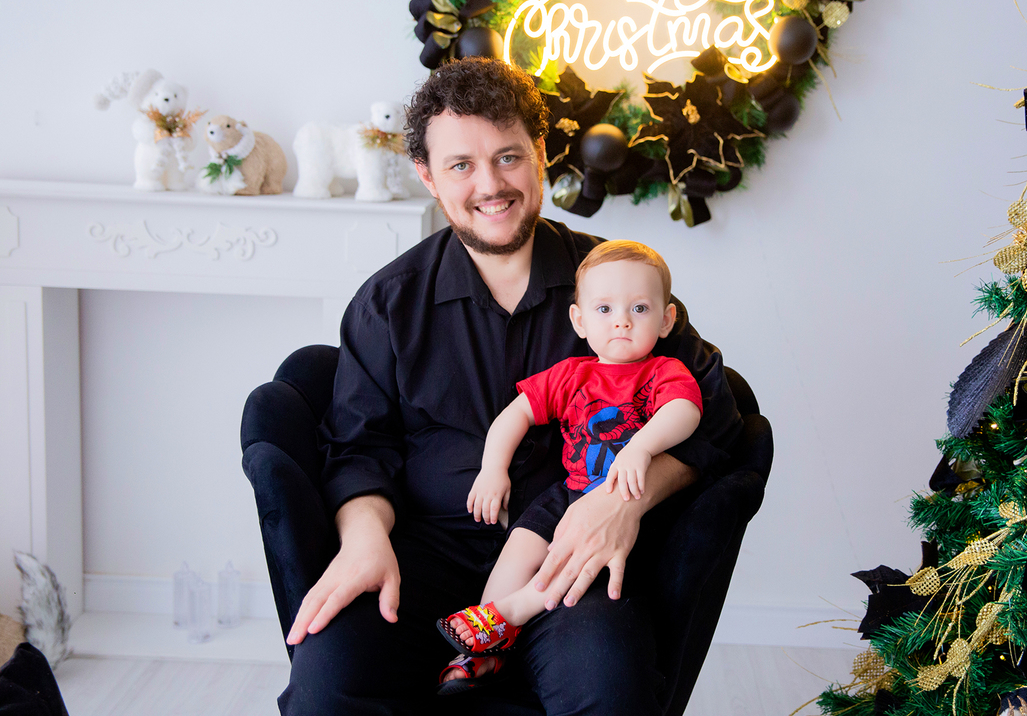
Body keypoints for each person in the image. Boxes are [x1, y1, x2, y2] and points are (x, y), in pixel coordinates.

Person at [278, 57, 742, 716]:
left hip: (570, 562)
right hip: (418, 556)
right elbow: (358, 451)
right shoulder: (387, 303)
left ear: (541, 153)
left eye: (507, 157)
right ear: (428, 178)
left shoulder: (617, 285)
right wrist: (363, 540)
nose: (490, 185)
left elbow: (719, 423)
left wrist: (623, 504)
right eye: (461, 165)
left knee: (611, 685)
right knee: (327, 682)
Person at [436, 241, 703, 688]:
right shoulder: (573, 374)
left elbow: (685, 412)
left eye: (639, 308)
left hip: (626, 499)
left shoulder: (662, 372)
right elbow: (516, 414)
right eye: (604, 309)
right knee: (520, 544)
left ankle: (517, 609)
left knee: (576, 561)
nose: (621, 320)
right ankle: (483, 646)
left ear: (666, 319)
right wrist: (492, 469)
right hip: (570, 491)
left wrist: (641, 447)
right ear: (579, 320)